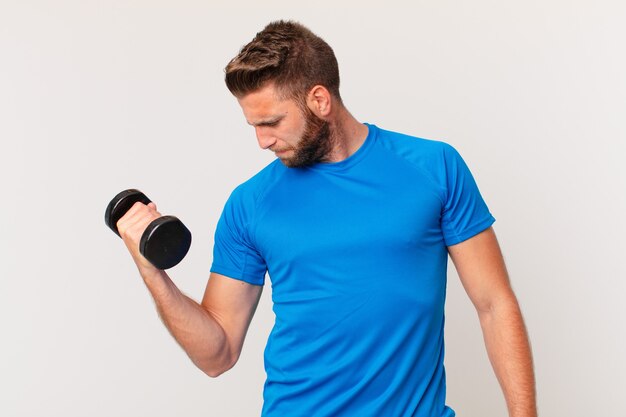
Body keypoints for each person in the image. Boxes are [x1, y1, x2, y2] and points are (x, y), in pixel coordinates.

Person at [116, 20, 537, 417]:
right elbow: (217, 354)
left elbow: (494, 304)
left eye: (272, 122)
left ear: (320, 99)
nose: (262, 141)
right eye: (253, 126)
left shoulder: (434, 167)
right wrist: (153, 273)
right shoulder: (250, 204)